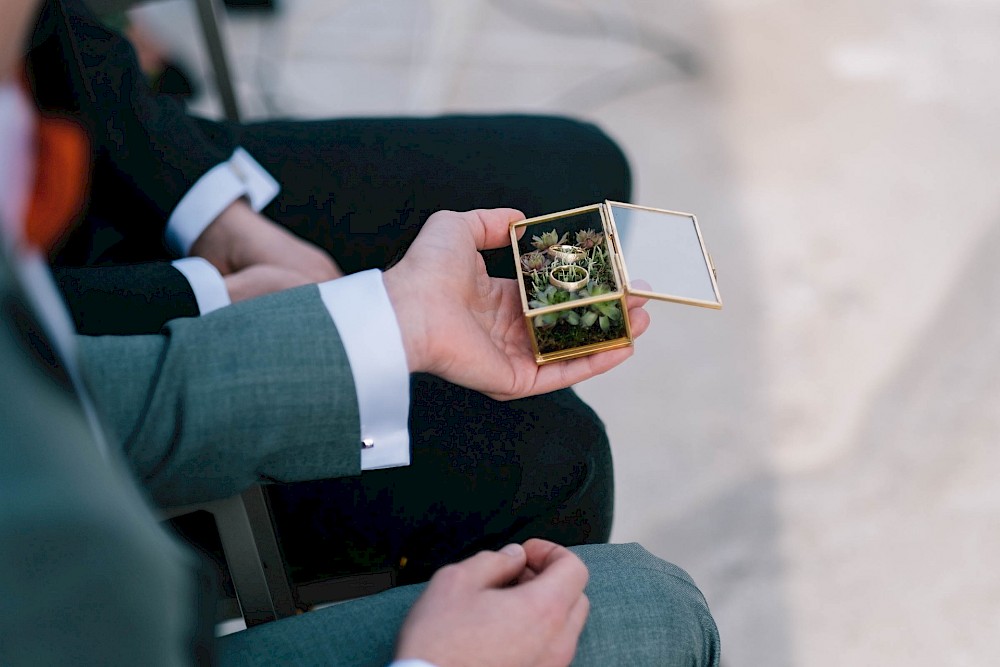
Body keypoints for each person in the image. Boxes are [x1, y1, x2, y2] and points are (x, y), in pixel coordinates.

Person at [0, 5, 721, 661]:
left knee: (579, 169)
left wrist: (393, 318)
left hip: (83, 264)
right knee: (574, 480)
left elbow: (84, 399)